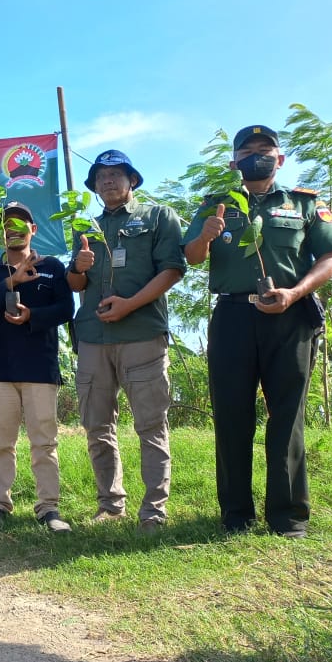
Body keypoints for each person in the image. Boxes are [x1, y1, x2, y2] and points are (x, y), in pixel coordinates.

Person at [183, 125, 332, 538]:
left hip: (290, 318)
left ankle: (288, 517)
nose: (257, 155)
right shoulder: (215, 205)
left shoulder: (305, 204)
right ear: (233, 161)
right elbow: (192, 257)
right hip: (233, 317)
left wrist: (296, 292)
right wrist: (204, 236)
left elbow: (331, 258)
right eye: (247, 150)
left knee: (287, 417)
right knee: (232, 416)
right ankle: (236, 515)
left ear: (280, 158)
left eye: (265, 149)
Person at [67, 150, 185, 534]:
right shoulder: (85, 227)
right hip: (92, 339)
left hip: (141, 334)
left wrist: (129, 305)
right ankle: (110, 504)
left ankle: (153, 512)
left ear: (132, 180)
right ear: (94, 185)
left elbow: (173, 269)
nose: (108, 181)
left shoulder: (157, 217)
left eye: (117, 174)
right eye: (101, 176)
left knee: (151, 425)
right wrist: (78, 269)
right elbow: (75, 285)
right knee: (97, 426)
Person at [0, 202, 75, 532]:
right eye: (7, 224)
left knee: (44, 442)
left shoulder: (53, 267)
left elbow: (65, 308)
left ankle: (49, 508)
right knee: (0, 443)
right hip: (0, 368)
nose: (14, 229)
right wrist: (11, 281)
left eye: (22, 223)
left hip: (40, 368)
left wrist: (34, 316)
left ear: (33, 229)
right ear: (1, 232)